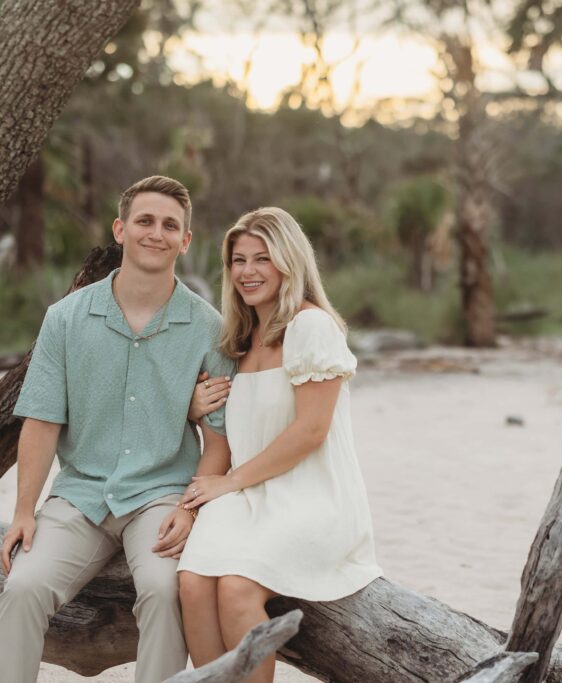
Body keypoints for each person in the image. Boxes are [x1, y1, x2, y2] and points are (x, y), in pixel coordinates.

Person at [0, 175, 234, 683]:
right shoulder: (66, 317)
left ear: (185, 241)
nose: (156, 233)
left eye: (170, 226)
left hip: (162, 495)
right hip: (79, 495)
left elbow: (219, 438)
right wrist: (22, 512)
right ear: (120, 229)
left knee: (166, 591)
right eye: (145, 221)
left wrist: (190, 511)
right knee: (22, 587)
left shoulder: (210, 327)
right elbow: (41, 420)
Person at [177, 207, 381, 682]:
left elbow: (311, 431)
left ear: (290, 262)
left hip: (311, 497)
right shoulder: (238, 341)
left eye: (262, 259)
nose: (247, 272)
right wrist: (193, 420)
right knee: (190, 583)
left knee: (236, 589)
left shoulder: (311, 328)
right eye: (238, 260)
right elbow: (224, 436)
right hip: (249, 496)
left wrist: (228, 483)